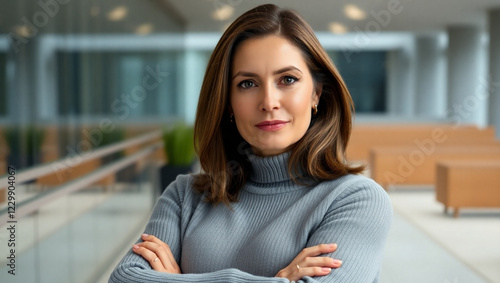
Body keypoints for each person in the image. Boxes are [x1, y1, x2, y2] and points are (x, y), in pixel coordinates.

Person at [109, 3, 392, 283]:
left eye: (288, 79)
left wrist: (181, 280)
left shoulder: (356, 199)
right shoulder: (184, 197)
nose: (269, 102)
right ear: (227, 102)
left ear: (316, 93)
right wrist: (279, 280)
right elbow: (125, 279)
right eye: (247, 83)